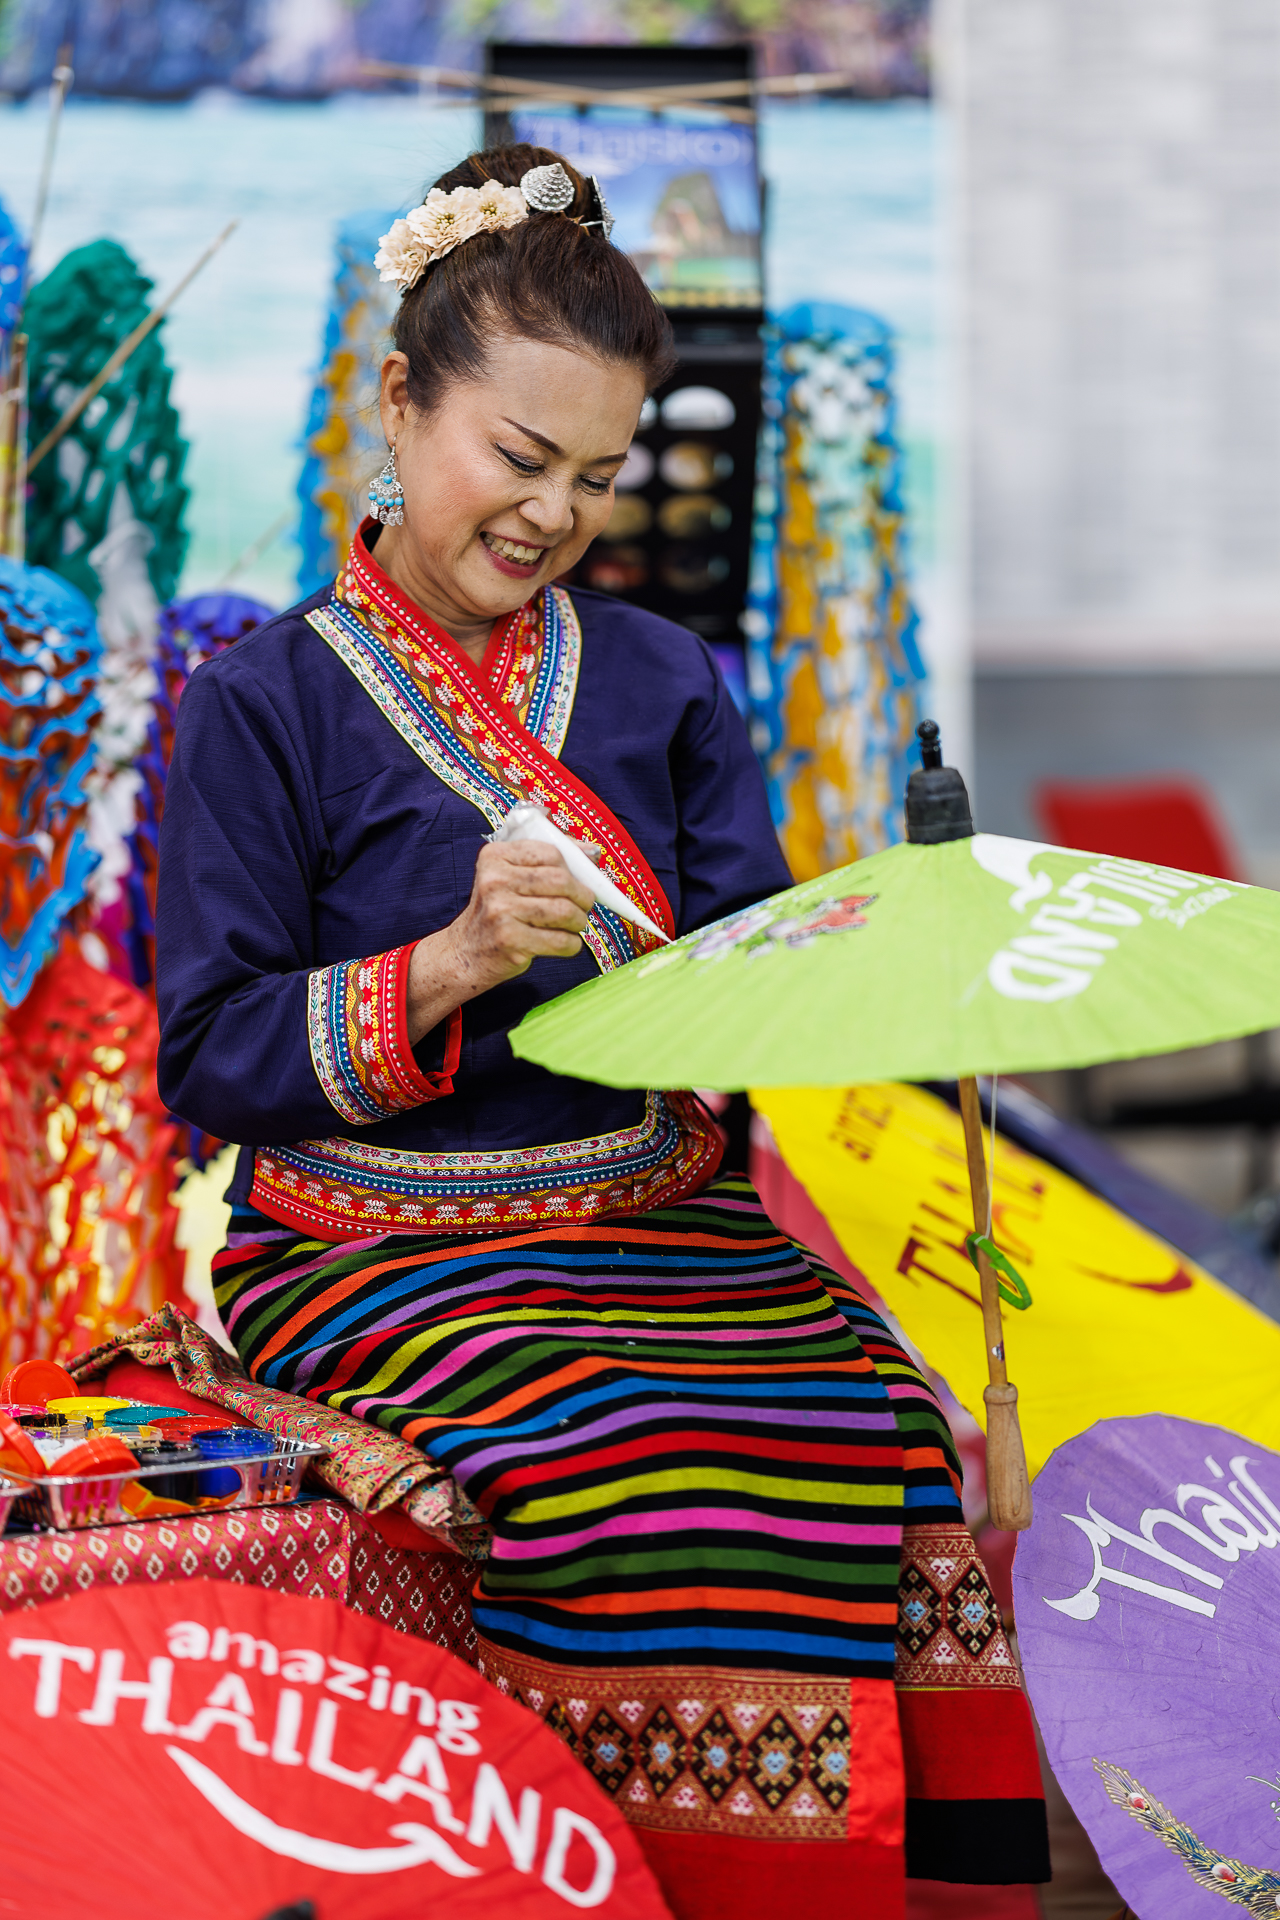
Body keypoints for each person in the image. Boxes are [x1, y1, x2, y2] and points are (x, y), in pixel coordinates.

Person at [156, 145, 1047, 1919]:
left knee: (888, 1434)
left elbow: (748, 966)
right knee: (634, 1471)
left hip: (665, 1220)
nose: (553, 512)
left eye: (598, 475)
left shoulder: (661, 679)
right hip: (377, 1246)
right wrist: (450, 963)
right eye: (519, 456)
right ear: (400, 403)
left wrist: (901, 970)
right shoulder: (261, 704)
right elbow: (209, 1050)